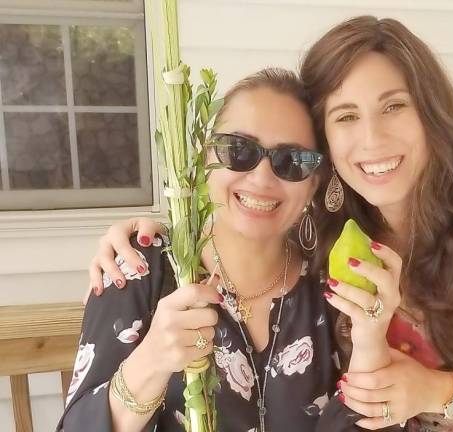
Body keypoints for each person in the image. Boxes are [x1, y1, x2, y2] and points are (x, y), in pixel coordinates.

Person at [86, 15, 453, 432]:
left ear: (430, 111)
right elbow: (248, 206)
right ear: (326, 152)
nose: (372, 140)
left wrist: (436, 391)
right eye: (345, 117)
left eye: (393, 107)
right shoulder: (330, 239)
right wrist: (155, 231)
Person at [58, 68, 346, 432]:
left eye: (292, 161)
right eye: (238, 149)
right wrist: (150, 362)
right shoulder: (142, 269)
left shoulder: (330, 289)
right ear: (202, 158)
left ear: (314, 182)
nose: (261, 177)